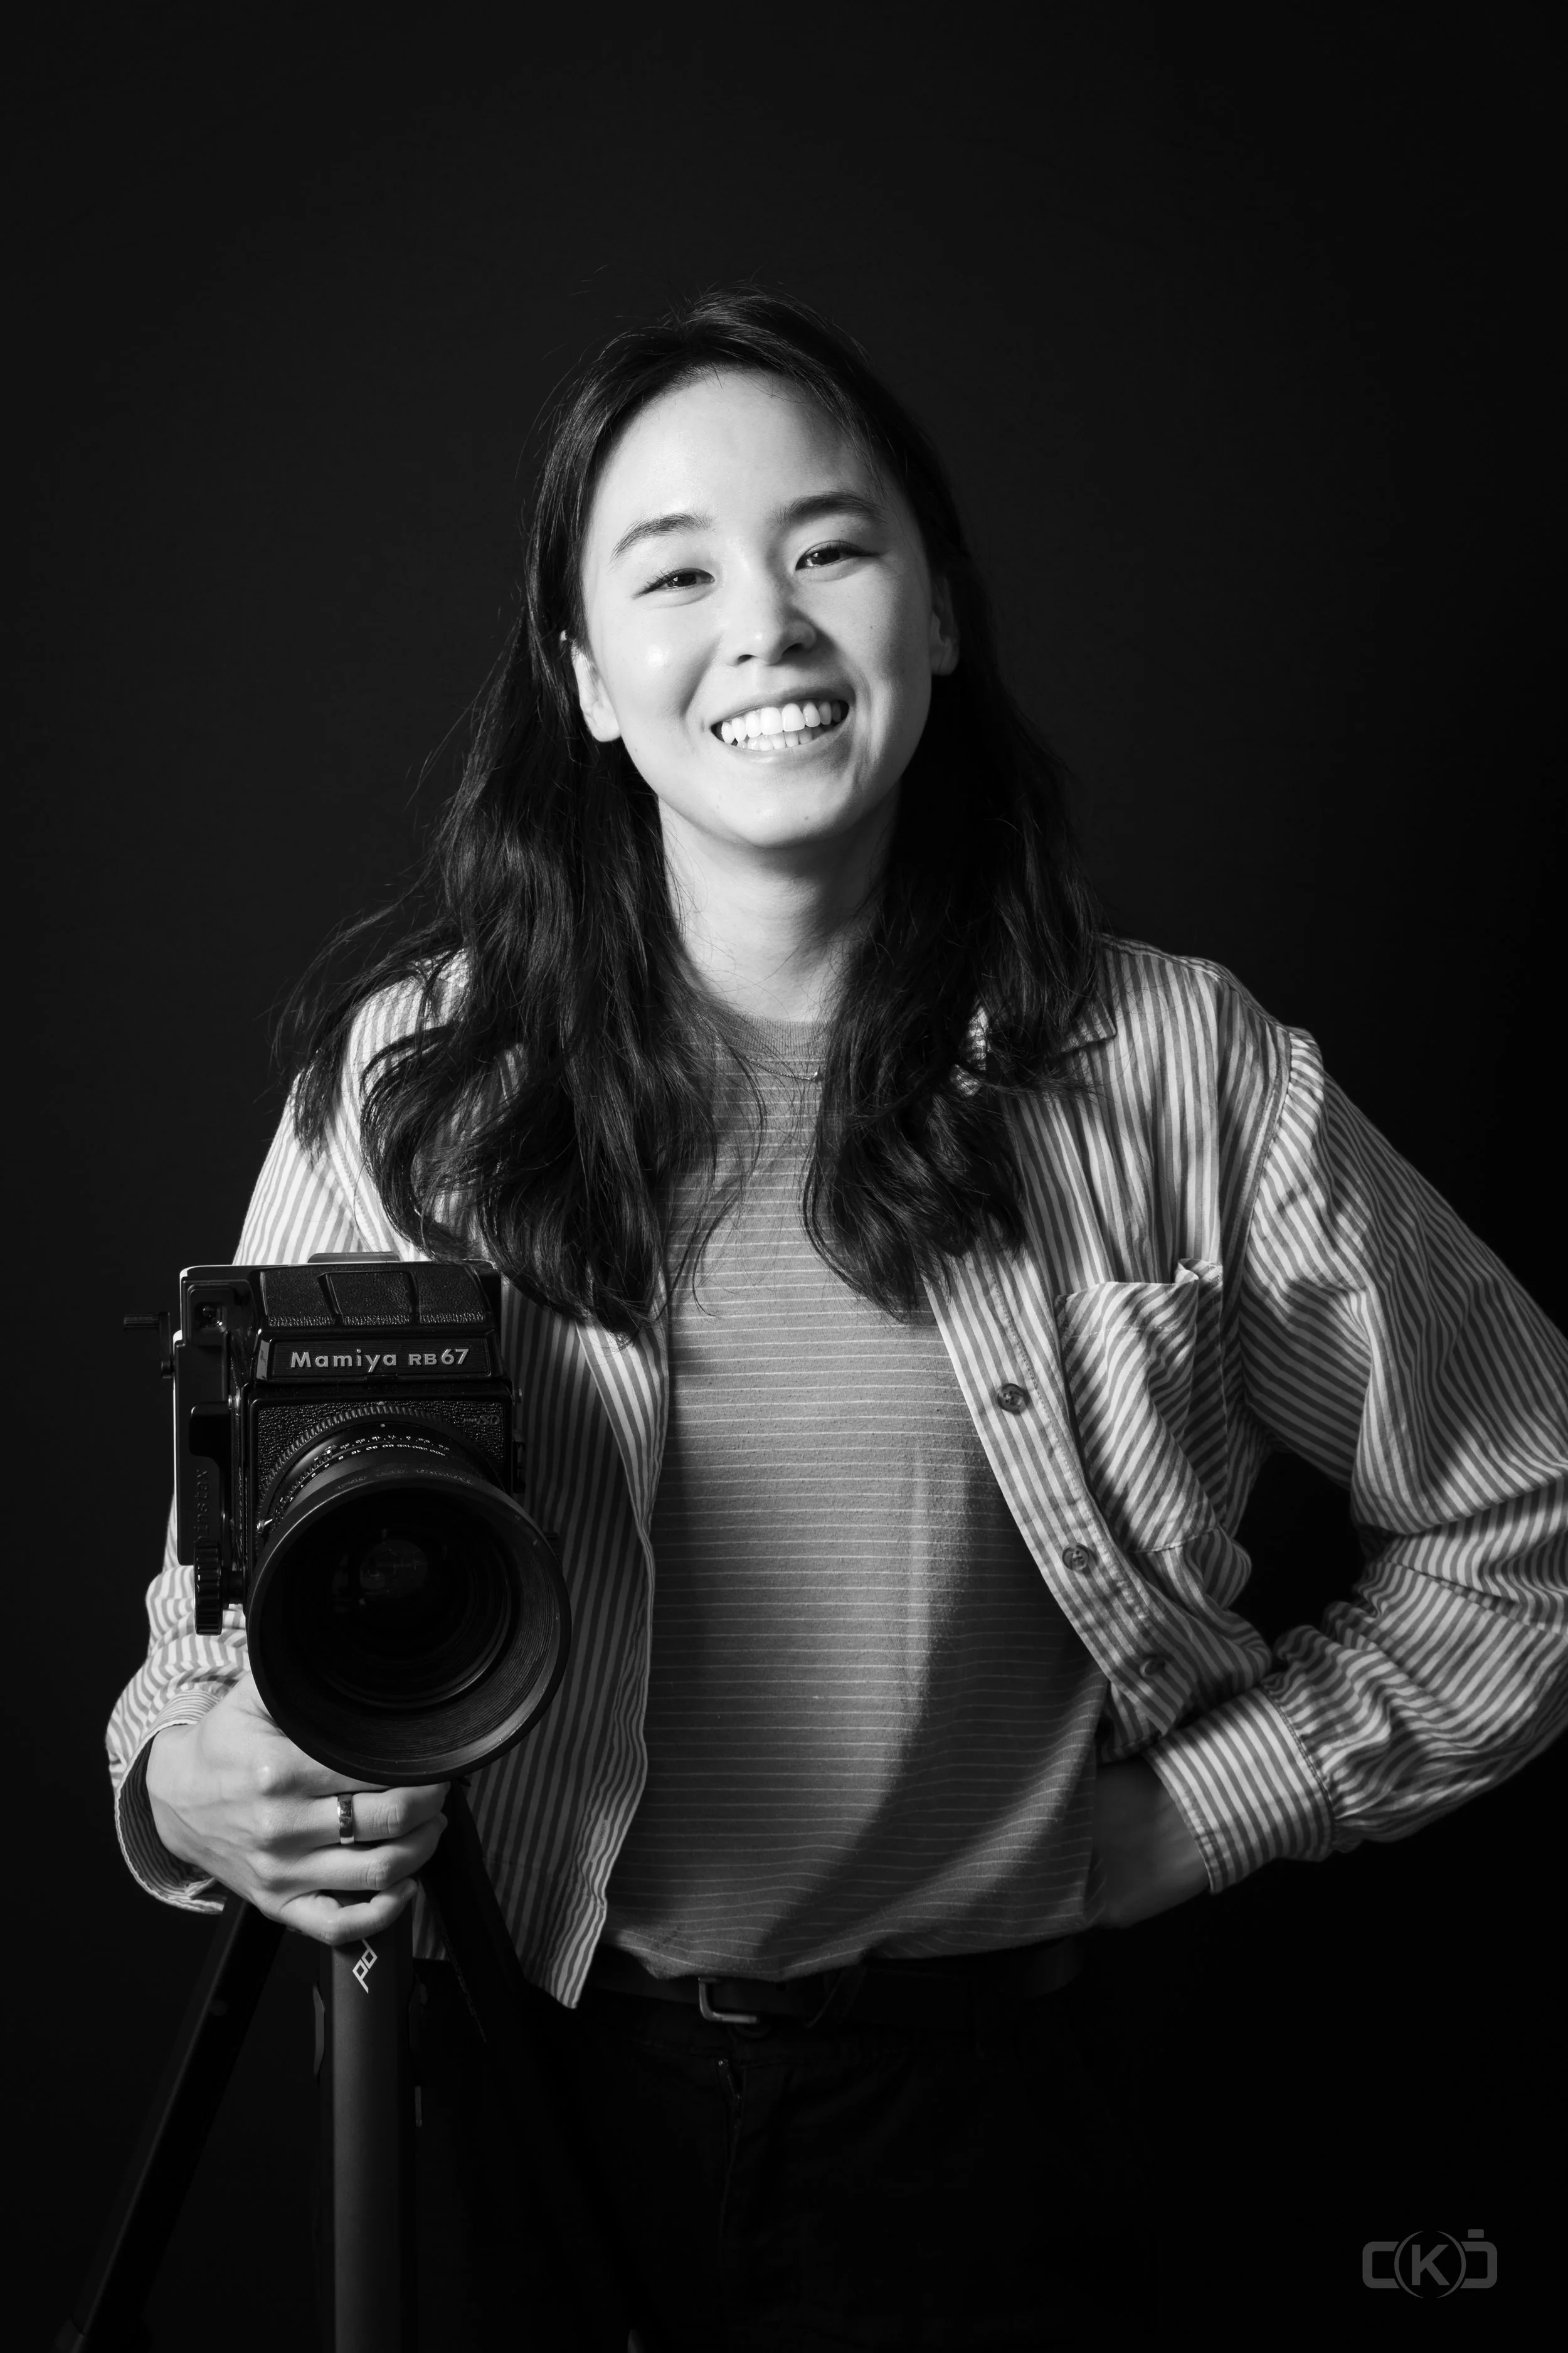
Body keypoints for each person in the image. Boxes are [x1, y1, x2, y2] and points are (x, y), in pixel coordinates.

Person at [107, 288, 1568, 2348]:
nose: (767, 628)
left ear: (938, 614)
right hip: (540, 2090)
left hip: (1002, 2136)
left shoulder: (1183, 1073)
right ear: (584, 676)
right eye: (674, 573)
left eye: (830, 548)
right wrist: (189, 1774)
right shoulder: (419, 1095)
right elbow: (215, 1614)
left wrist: (1189, 1816)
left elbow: (1532, 1516)